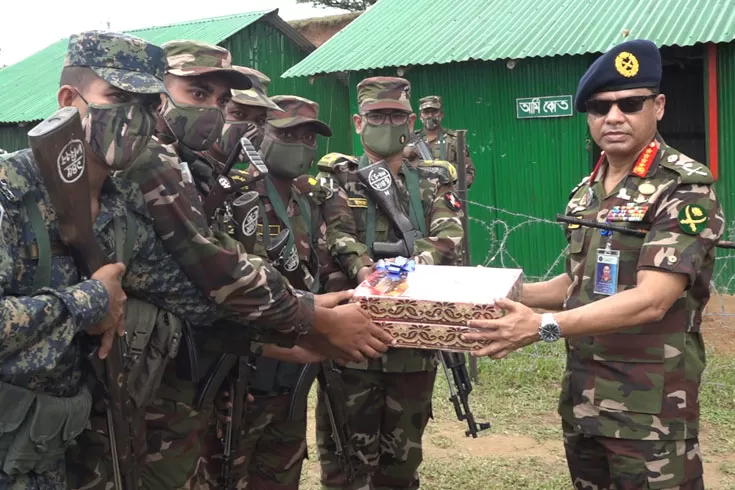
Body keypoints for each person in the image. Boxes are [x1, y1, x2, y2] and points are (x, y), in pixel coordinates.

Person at [120, 41, 391, 490]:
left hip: (193, 363)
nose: (216, 113)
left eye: (224, 102)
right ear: (156, 92)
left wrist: (307, 306)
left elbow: (223, 263)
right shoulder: (150, 160)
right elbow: (215, 269)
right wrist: (312, 318)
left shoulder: (197, 170)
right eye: (198, 94)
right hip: (148, 376)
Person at [463, 40, 724, 490]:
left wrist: (541, 326)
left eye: (631, 103)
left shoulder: (683, 188)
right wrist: (501, 293)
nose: (614, 117)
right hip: (585, 397)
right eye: (600, 107)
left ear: (658, 106)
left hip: (649, 410)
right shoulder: (589, 190)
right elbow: (579, 281)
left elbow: (651, 300)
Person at [0, 30, 255, 490]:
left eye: (146, 104)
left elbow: (191, 298)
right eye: (117, 96)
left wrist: (303, 323)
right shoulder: (10, 191)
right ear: (68, 99)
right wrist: (90, 300)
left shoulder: (121, 211)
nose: (132, 117)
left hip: (50, 452)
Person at [315, 76, 464, 489]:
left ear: (411, 120)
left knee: (401, 460)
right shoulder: (338, 178)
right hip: (350, 341)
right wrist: (367, 271)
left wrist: (410, 271)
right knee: (345, 460)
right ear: (358, 122)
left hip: (412, 341)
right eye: (376, 115)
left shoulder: (433, 180)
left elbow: (449, 234)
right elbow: (337, 233)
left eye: (395, 115)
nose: (386, 122)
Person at [200, 94, 337, 489]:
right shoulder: (235, 197)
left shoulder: (313, 201)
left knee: (282, 470)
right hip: (242, 371)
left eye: (310, 138)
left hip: (293, 369)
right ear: (263, 136)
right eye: (289, 133)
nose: (301, 144)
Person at [204, 65, 280, 163]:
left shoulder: (228, 176)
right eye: (238, 113)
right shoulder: (183, 170)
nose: (252, 127)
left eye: (260, 120)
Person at [406, 95, 475, 188]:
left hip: (446, 195)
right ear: (420, 116)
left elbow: (468, 172)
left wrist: (455, 189)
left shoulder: (454, 140)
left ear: (441, 114)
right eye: (426, 112)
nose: (430, 116)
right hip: (417, 196)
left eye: (434, 112)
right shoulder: (411, 140)